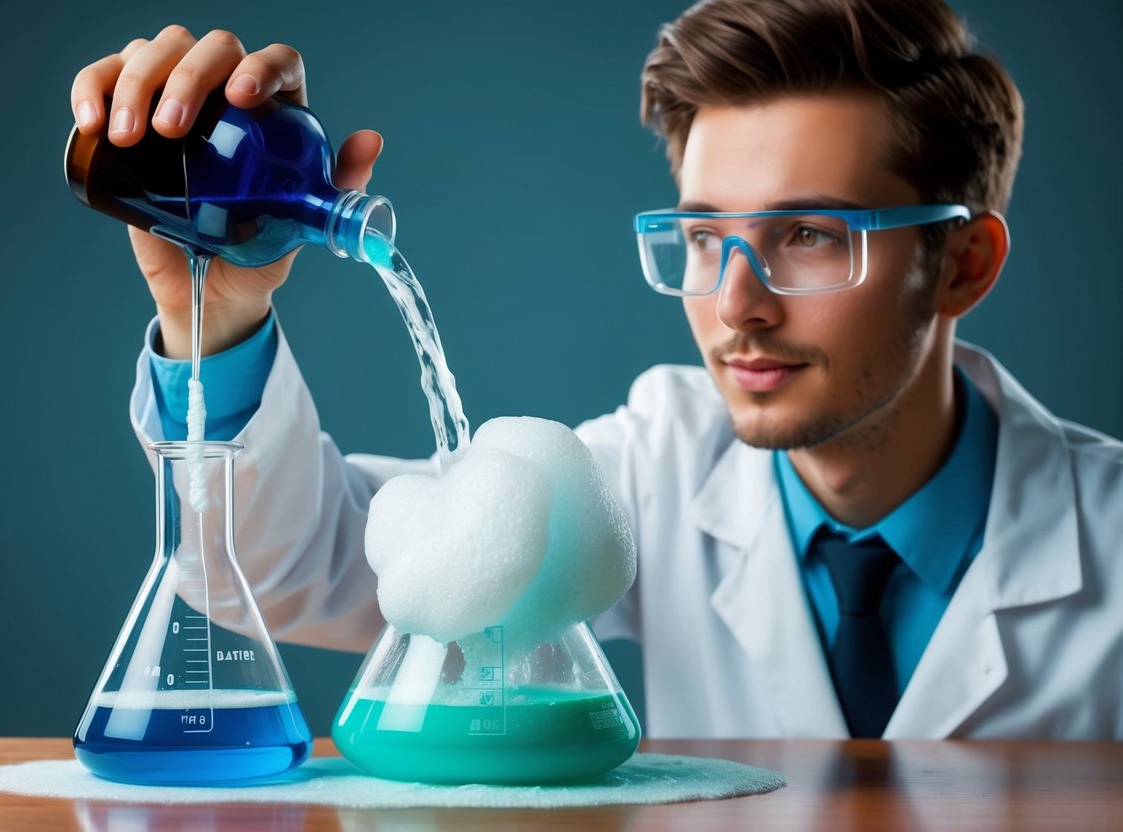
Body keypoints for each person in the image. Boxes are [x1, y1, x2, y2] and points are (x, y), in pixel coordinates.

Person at [71, 0, 1122, 739]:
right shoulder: (659, 466)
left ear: (963, 263)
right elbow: (300, 565)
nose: (737, 302)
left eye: (808, 234)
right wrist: (215, 313)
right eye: (705, 236)